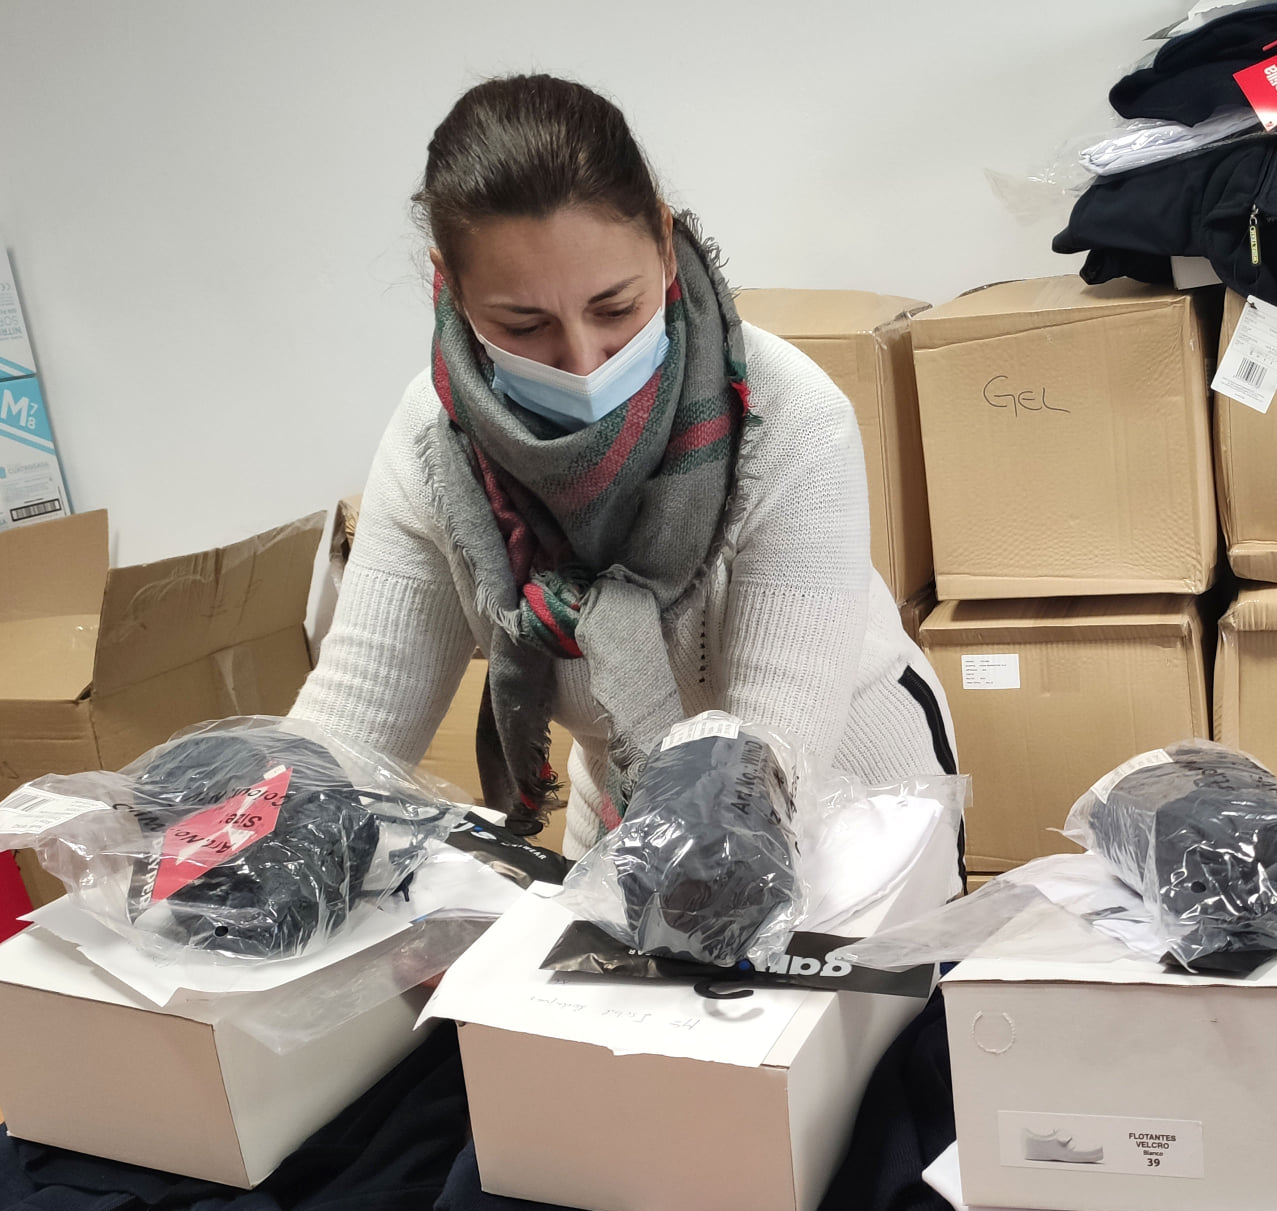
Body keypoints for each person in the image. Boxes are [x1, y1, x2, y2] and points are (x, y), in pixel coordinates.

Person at [294, 74, 958, 856]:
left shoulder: (786, 415)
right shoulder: (433, 445)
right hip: (622, 799)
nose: (583, 360)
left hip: (852, 794)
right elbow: (359, 718)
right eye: (524, 325)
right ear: (452, 287)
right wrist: (254, 829)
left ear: (665, 246)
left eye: (615, 308)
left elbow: (769, 754)